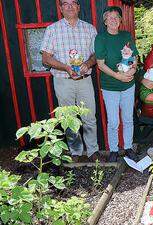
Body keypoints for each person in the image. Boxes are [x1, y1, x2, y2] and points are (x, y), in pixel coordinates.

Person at [41, 0, 99, 162]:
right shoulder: (52, 29)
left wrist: (88, 63)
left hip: (84, 80)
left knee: (89, 117)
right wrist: (66, 67)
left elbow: (96, 55)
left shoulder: (89, 28)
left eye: (73, 3)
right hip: (63, 81)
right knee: (69, 117)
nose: (69, 6)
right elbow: (46, 59)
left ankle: (93, 150)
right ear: (60, 9)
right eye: (65, 3)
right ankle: (75, 152)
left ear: (78, 7)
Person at [94, 6, 139, 162]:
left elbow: (134, 58)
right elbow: (100, 64)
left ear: (120, 20)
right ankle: (113, 149)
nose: (113, 20)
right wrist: (118, 76)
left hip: (128, 84)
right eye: (110, 17)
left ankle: (127, 147)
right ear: (105, 21)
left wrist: (131, 71)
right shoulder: (101, 38)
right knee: (113, 121)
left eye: (116, 17)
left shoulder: (126, 36)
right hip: (110, 86)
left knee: (128, 118)